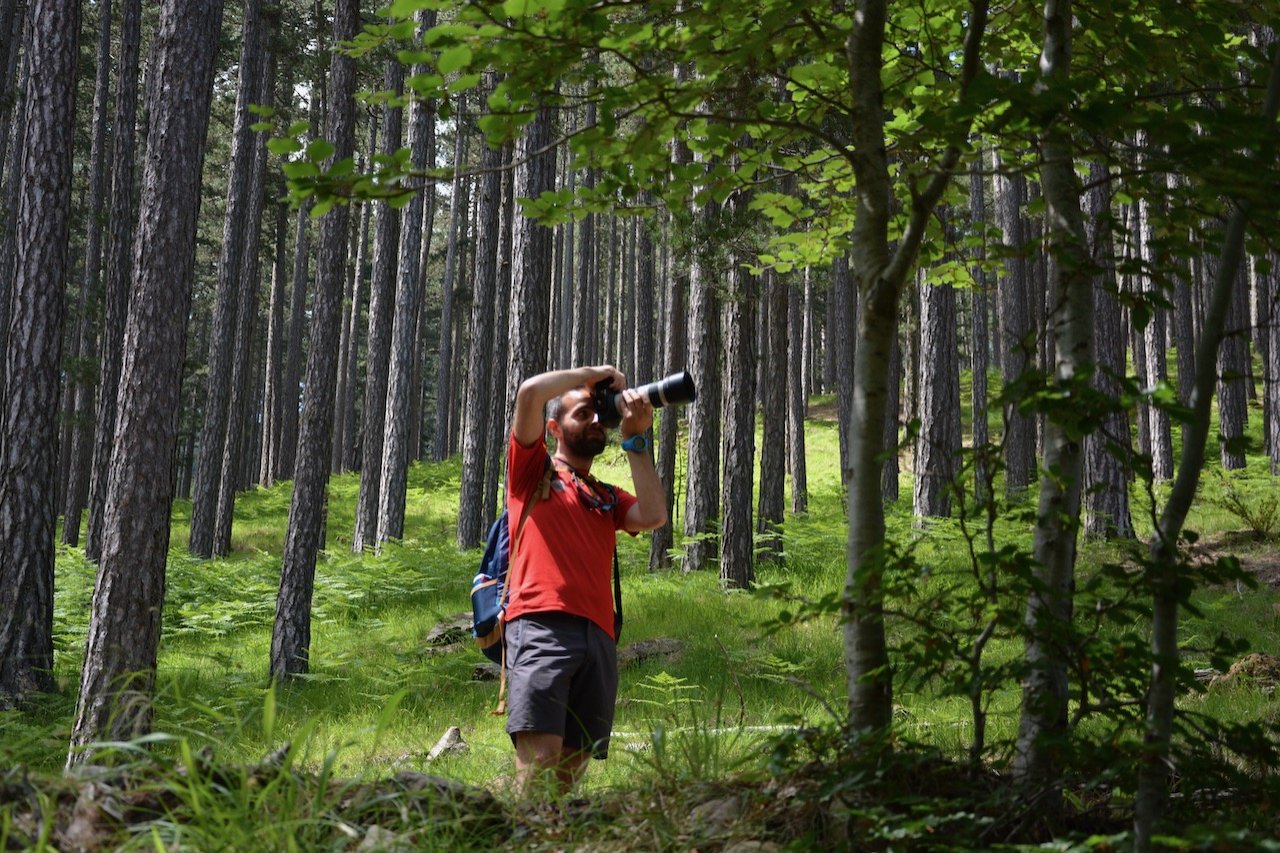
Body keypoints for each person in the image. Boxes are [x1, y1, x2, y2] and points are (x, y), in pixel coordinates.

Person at [504, 364, 668, 794]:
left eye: (600, 414)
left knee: (569, 774)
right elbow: (529, 393)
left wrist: (636, 438)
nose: (595, 420)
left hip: (597, 637)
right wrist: (593, 374)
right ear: (554, 427)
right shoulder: (532, 472)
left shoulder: (605, 495)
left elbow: (653, 515)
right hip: (541, 625)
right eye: (583, 413)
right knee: (539, 765)